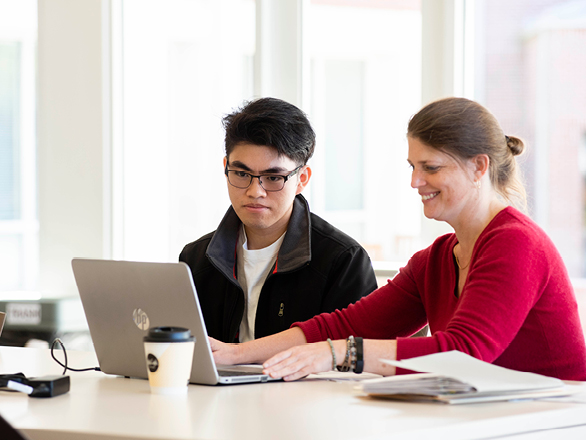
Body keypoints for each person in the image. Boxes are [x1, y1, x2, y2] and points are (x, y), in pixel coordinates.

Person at [210, 97, 586, 381]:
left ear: (479, 166)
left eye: (431, 168)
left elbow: (463, 352)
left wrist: (341, 354)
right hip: (496, 419)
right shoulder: (437, 259)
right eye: (413, 167)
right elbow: (340, 326)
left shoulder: (516, 243)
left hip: (557, 421)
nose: (415, 182)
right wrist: (231, 354)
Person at [179, 97, 378, 344]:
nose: (255, 191)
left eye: (273, 178)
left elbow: (355, 361)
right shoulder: (196, 259)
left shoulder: (343, 261)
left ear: (302, 179)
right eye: (241, 174)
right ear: (225, 168)